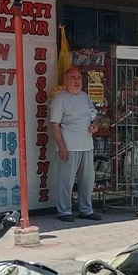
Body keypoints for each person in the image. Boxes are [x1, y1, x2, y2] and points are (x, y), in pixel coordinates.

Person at [49, 68, 100, 222]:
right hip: (70, 146)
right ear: (65, 81)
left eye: (79, 77)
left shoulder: (85, 97)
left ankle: (86, 209)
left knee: (87, 181)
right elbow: (55, 124)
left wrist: (95, 125)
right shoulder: (60, 99)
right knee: (66, 180)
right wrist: (61, 146)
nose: (77, 81)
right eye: (73, 78)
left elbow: (94, 115)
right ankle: (64, 211)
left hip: (87, 145)